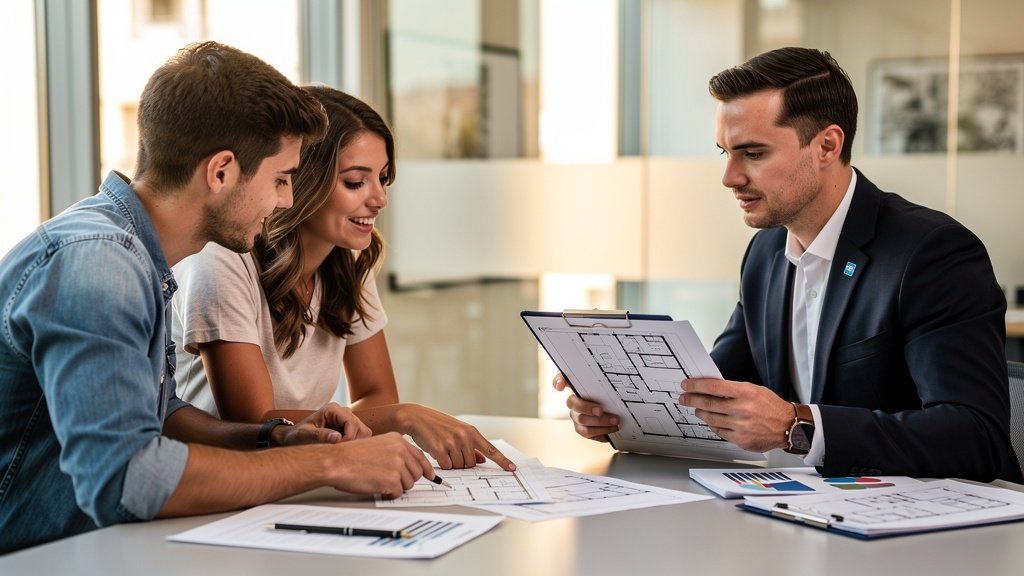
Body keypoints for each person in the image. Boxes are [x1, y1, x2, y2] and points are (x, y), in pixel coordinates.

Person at [0, 42, 437, 555]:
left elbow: (164, 416)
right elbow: (127, 478)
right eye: (280, 179)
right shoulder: (101, 265)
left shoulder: (139, 254)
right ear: (221, 171)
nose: (286, 202)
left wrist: (275, 437)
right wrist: (331, 464)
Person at [554, 47, 1023, 483]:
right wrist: (618, 406)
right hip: (802, 515)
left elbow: (974, 437)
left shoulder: (932, 253)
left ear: (827, 146)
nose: (730, 177)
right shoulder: (764, 255)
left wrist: (796, 427)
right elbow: (719, 388)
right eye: (726, 152)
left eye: (753, 154)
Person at [171, 85, 515, 472]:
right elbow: (259, 424)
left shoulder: (346, 263)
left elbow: (375, 394)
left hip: (301, 477)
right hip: (228, 485)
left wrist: (372, 420)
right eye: (355, 182)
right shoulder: (221, 261)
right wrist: (403, 417)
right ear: (300, 182)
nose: (380, 198)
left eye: (383, 178)